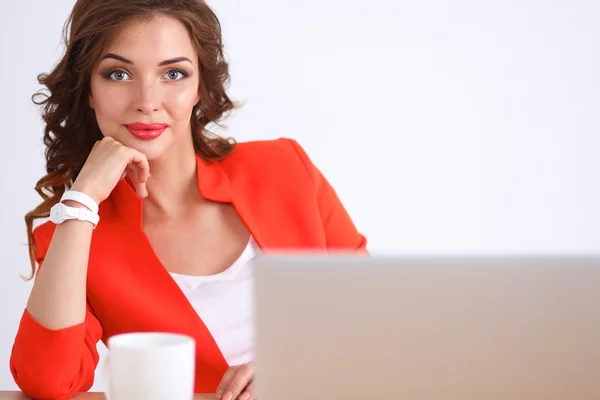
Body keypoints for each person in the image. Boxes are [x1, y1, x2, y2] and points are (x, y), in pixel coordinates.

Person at [9, 0, 367, 399]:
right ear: (89, 91)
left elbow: (376, 317)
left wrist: (292, 368)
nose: (147, 100)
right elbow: (47, 381)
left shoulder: (283, 168)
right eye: (118, 73)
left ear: (199, 86)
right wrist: (82, 199)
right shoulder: (77, 237)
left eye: (173, 73)